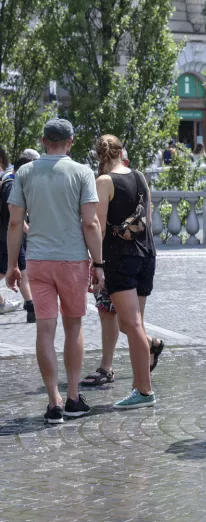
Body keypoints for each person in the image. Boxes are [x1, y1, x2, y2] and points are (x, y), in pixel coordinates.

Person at [5, 118, 104, 424]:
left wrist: (12, 265)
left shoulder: (25, 172)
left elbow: (14, 223)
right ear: (70, 142)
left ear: (43, 141)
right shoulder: (82, 172)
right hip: (73, 260)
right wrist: (99, 263)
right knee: (73, 328)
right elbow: (90, 222)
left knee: (44, 331)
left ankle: (53, 402)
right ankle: (73, 397)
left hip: (37, 260)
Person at [91, 135, 160, 409]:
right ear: (122, 153)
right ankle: (138, 385)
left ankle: (144, 391)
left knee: (132, 326)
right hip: (146, 256)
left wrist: (96, 263)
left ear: (99, 156)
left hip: (120, 259)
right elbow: (148, 221)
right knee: (132, 325)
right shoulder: (140, 177)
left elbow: (98, 227)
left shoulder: (104, 182)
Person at [0, 156, 33, 318]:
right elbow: (14, 213)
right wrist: (30, 231)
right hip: (11, 236)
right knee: (18, 271)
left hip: (9, 234)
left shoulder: (9, 181)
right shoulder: (12, 184)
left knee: (18, 271)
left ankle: (31, 305)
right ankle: (31, 307)